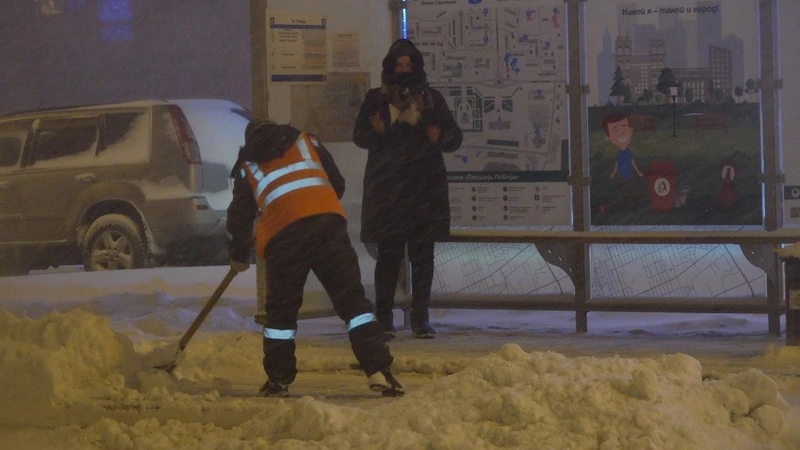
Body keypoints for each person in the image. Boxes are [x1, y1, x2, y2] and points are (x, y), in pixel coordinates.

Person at [227, 119, 403, 397]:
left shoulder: (247, 165)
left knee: (281, 316)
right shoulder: (306, 141)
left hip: (284, 240)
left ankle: (279, 379)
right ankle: (379, 370)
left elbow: (239, 216)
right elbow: (338, 184)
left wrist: (238, 253)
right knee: (353, 304)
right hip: (328, 228)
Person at [353, 39, 463, 338]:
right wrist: (377, 133)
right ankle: (384, 317)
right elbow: (359, 136)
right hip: (388, 190)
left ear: (416, 66)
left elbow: (454, 138)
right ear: (390, 67)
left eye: (408, 65)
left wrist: (440, 135)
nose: (403, 71)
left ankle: (420, 318)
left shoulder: (431, 99)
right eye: (398, 65)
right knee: (388, 257)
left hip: (423, 190)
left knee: (422, 257)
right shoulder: (376, 99)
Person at [604, 112, 644, 210]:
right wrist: (613, 173)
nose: (622, 133)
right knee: (623, 188)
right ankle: (624, 204)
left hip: (628, 174)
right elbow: (617, 165)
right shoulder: (619, 154)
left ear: (631, 130)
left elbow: (632, 162)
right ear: (609, 138)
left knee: (629, 188)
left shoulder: (628, 152)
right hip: (622, 174)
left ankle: (630, 203)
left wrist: (638, 171)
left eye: (624, 127)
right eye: (615, 131)